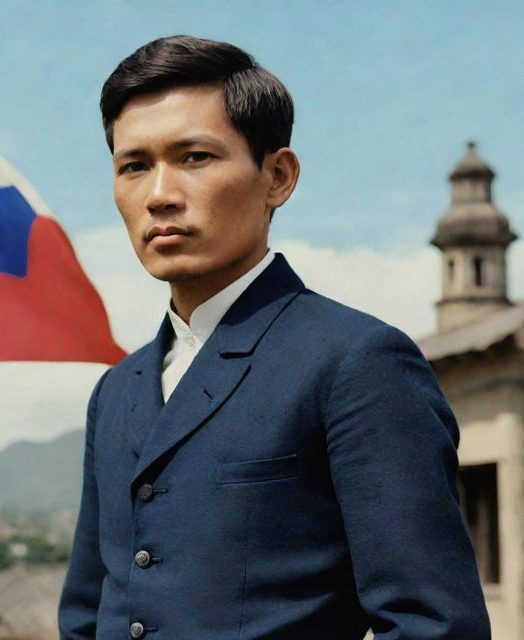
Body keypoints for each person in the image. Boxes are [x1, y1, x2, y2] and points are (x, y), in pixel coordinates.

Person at [58, 35, 490, 640]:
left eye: (195, 157)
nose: (159, 195)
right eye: (135, 166)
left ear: (277, 176)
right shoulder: (117, 390)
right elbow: (86, 611)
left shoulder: (355, 361)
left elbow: (433, 624)